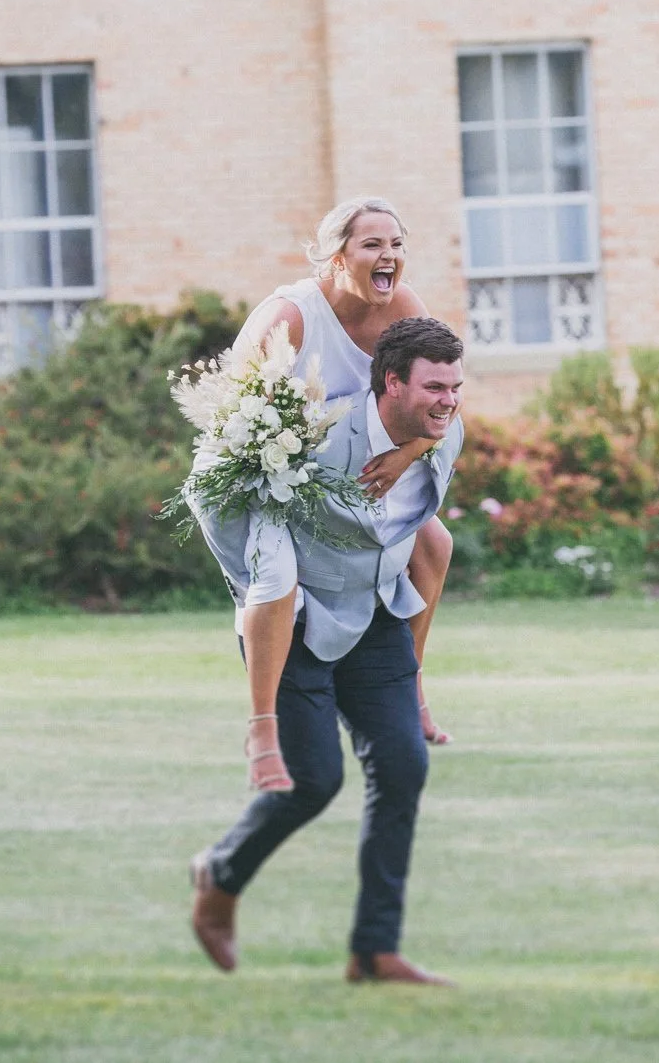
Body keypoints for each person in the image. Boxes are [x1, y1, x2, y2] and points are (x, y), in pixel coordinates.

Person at [191, 317, 467, 985]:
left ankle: (373, 950)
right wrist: (258, 580)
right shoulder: (314, 433)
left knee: (402, 766)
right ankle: (219, 873)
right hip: (296, 620)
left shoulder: (442, 431)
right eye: (434, 386)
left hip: (376, 617)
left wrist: (417, 447)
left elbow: (428, 526)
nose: (449, 401)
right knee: (313, 780)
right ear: (391, 381)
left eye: (457, 387)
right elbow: (207, 488)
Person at [218, 197, 456, 795]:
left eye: (397, 244)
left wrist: (410, 452)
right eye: (374, 244)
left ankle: (413, 685)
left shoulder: (403, 306)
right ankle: (263, 728)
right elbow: (227, 422)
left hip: (358, 474)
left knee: (432, 543)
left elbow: (438, 398)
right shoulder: (290, 318)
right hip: (269, 480)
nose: (390, 256)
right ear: (335, 255)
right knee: (278, 578)